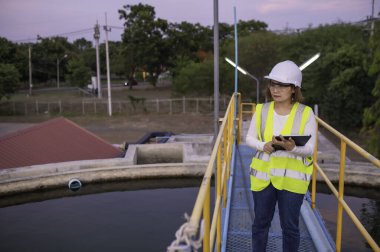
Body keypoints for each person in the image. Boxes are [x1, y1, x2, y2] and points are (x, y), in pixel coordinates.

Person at [246, 60, 317, 252]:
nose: (275, 89)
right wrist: (264, 145)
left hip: (291, 182)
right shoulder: (261, 110)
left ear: (294, 89)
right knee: (260, 224)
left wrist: (292, 147)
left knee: (290, 228)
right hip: (263, 179)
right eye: (273, 84)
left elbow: (310, 149)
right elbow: (249, 138)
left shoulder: (306, 113)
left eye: (282, 85)